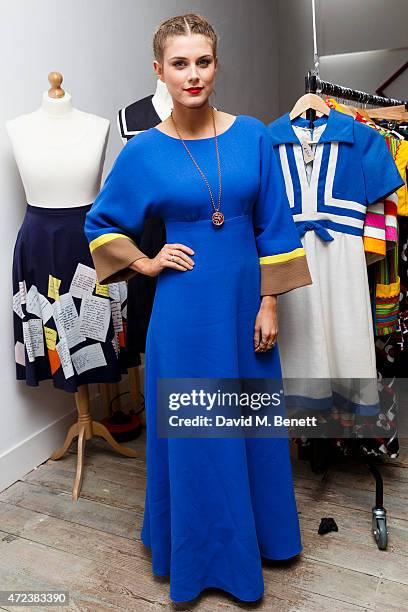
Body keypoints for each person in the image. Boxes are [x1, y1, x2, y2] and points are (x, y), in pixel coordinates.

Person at [85, 12, 312, 605]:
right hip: (184, 314)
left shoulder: (253, 136)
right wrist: (146, 262)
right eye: (179, 63)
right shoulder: (145, 152)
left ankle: (261, 542)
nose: (193, 74)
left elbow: (275, 224)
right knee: (197, 434)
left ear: (217, 63)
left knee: (252, 424)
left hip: (244, 308)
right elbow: (101, 223)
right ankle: (201, 557)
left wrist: (270, 304)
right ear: (158, 69)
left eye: (203, 61)